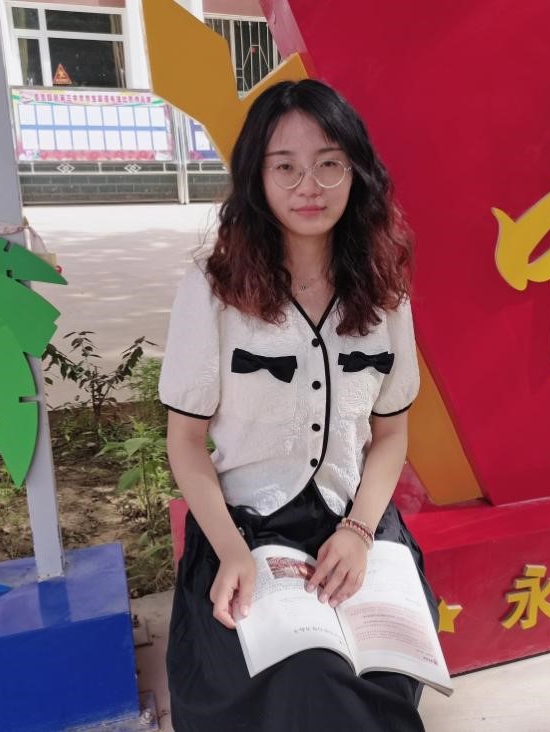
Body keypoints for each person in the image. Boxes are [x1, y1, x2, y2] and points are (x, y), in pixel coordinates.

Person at [160, 79, 438, 732]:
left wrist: (360, 533)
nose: (308, 186)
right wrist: (231, 552)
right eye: (284, 166)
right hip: (247, 532)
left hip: (354, 524)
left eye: (328, 163)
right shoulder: (213, 292)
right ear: (256, 178)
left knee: (384, 669)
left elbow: (391, 435)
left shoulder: (385, 293)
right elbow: (186, 442)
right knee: (307, 675)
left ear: (356, 172)